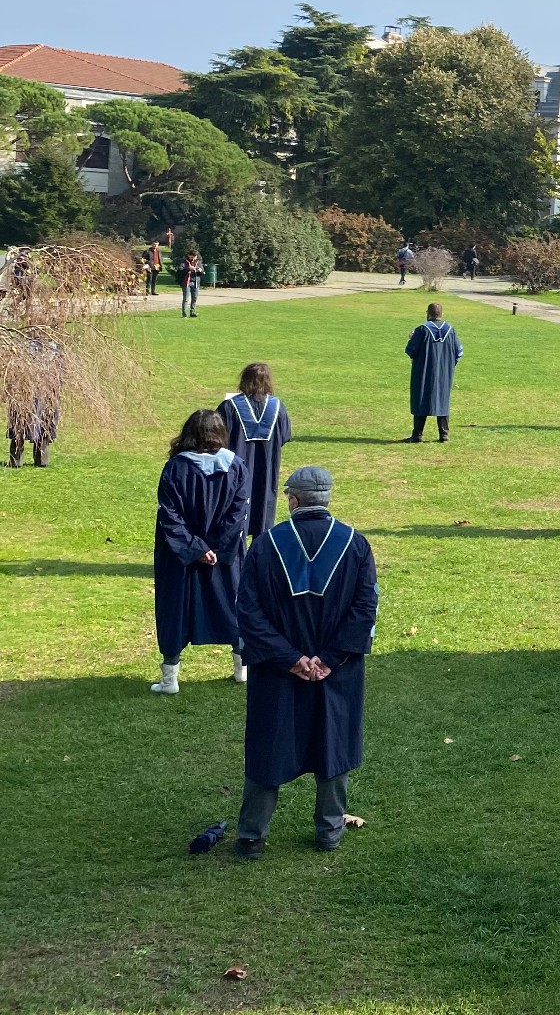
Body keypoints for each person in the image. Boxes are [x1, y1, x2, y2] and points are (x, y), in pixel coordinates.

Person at [232, 466, 379, 859]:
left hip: (277, 672)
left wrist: (290, 658)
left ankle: (252, 836)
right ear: (327, 498)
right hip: (337, 671)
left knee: (269, 745)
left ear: (293, 500)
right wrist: (329, 659)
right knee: (333, 744)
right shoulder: (356, 545)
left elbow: (248, 612)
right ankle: (329, 831)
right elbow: (365, 609)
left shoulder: (265, 546)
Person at [151, 409, 251, 693]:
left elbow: (169, 515)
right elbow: (239, 513)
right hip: (223, 556)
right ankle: (241, 668)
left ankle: (170, 678)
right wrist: (215, 547)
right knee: (231, 603)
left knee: (175, 608)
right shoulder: (237, 467)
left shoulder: (175, 468)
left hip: (179, 556)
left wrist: (195, 548)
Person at [220, 362, 293, 540]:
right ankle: (260, 553)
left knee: (236, 506)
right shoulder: (278, 407)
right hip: (266, 470)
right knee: (263, 507)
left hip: (236, 469)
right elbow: (284, 436)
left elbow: (218, 438)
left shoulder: (229, 407)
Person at [405, 303, 463, 443]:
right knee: (442, 399)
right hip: (444, 372)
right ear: (442, 314)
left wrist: (411, 338)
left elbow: (410, 351)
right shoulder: (450, 330)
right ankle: (444, 435)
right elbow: (459, 352)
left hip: (423, 371)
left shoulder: (421, 330)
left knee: (421, 398)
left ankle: (417, 435)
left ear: (428, 313)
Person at [5, 338, 63, 468]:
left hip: (42, 389)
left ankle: (34, 459)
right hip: (29, 388)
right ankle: (23, 460)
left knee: (42, 423)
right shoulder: (25, 343)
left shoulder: (51, 345)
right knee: (22, 424)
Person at [180, 252, 204, 317]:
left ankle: (192, 312)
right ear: (188, 256)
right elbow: (180, 270)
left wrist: (200, 270)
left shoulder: (198, 262)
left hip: (196, 282)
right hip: (186, 283)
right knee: (186, 298)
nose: (193, 258)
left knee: (194, 298)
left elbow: (203, 272)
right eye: (191, 257)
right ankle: (184, 313)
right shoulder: (184, 262)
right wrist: (188, 269)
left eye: (194, 257)